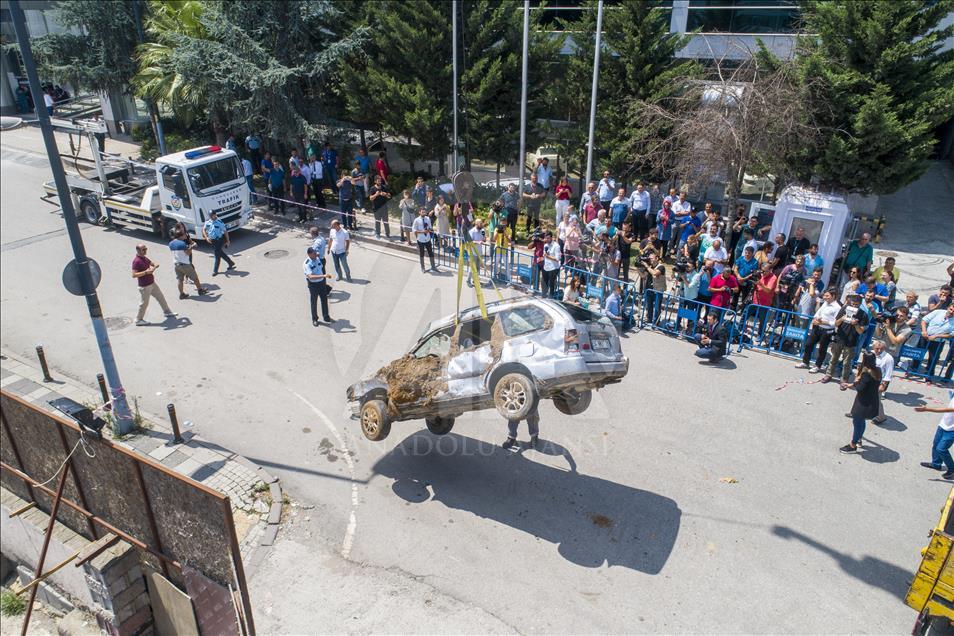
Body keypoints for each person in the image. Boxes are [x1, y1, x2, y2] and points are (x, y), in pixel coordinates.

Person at [839, 351, 882, 454]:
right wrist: (851, 384)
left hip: (863, 403)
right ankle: (858, 438)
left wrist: (857, 379)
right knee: (861, 422)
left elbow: (860, 388)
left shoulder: (866, 374)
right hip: (872, 401)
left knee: (857, 422)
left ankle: (853, 445)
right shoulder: (877, 370)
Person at [821, 294, 869, 384]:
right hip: (839, 338)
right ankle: (828, 375)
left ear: (860, 304)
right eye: (852, 304)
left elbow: (860, 331)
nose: (854, 306)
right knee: (834, 358)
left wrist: (855, 324)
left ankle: (844, 380)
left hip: (852, 341)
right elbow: (836, 324)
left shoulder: (863, 314)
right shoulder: (844, 309)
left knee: (847, 363)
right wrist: (842, 318)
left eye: (856, 305)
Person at [795, 289, 840, 371]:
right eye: (824, 295)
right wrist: (816, 319)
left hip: (827, 331)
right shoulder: (825, 303)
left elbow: (835, 323)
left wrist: (823, 322)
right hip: (817, 328)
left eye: (827, 296)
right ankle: (805, 362)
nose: (825, 297)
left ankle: (817, 365)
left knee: (822, 349)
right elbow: (818, 313)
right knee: (808, 344)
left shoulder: (837, 308)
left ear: (833, 296)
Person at [131, 244, 175, 325]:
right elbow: (134, 275)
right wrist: (146, 272)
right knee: (144, 304)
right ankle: (138, 320)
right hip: (144, 286)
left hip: (152, 283)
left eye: (146, 248)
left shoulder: (144, 257)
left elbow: (150, 262)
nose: (146, 250)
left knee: (161, 297)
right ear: (138, 251)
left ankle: (167, 312)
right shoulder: (136, 261)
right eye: (143, 249)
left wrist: (154, 265)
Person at [917, 395, 954, 480]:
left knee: (941, 449)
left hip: (952, 431)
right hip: (943, 425)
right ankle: (936, 464)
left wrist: (927, 409)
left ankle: (952, 469)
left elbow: (947, 410)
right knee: (936, 444)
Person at [916, 304, 954, 375]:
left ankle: (929, 375)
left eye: (953, 311)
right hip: (925, 337)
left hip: (938, 342)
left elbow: (951, 334)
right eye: (951, 309)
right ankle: (913, 369)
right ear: (948, 308)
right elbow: (924, 320)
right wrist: (924, 331)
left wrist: (936, 336)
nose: (951, 312)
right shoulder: (938, 312)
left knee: (933, 359)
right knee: (918, 354)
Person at [169, 231, 206, 299]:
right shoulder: (182, 243)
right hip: (185, 264)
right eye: (184, 235)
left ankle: (181, 294)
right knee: (195, 278)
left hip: (176, 265)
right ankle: (200, 290)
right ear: (181, 236)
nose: (186, 236)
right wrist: (191, 247)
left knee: (180, 280)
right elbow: (187, 253)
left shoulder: (171, 243)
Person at [304, 247, 333, 327]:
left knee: (324, 299)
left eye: (315, 253)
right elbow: (310, 276)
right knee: (314, 302)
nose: (316, 254)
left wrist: (324, 277)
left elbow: (320, 268)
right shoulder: (307, 264)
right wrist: (323, 275)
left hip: (321, 283)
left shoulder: (317, 258)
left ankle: (326, 316)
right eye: (314, 253)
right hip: (313, 285)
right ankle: (315, 319)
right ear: (309, 254)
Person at [202, 211, 236, 275]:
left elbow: (225, 231)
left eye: (215, 215)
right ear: (210, 216)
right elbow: (204, 229)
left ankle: (215, 270)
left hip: (219, 240)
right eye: (213, 215)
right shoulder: (207, 222)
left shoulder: (219, 222)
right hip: (212, 241)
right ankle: (230, 263)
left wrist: (228, 241)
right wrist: (206, 237)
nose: (214, 216)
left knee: (217, 255)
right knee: (220, 253)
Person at [869, 339, 894, 425]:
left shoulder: (888, 358)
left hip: (879, 382)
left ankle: (881, 417)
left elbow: (888, 374)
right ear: (873, 347)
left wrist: (883, 385)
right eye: (877, 348)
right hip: (869, 379)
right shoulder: (870, 353)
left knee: (876, 400)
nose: (879, 350)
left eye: (881, 349)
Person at [412, 207, 438, 273]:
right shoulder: (416, 220)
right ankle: (422, 267)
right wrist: (422, 232)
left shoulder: (428, 218)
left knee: (431, 253)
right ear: (419, 212)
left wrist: (429, 230)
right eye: (422, 212)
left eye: (424, 212)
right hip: (420, 240)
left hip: (428, 239)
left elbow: (430, 227)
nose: (424, 213)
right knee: (422, 253)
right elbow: (414, 230)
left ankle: (433, 266)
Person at [541, 231, 562, 298]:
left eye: (548, 238)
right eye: (545, 238)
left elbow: (557, 258)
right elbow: (545, 255)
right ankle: (543, 296)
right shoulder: (545, 245)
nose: (546, 240)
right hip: (546, 267)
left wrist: (548, 256)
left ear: (552, 237)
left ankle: (551, 298)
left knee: (551, 284)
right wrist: (543, 258)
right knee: (543, 282)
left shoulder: (556, 246)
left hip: (553, 268)